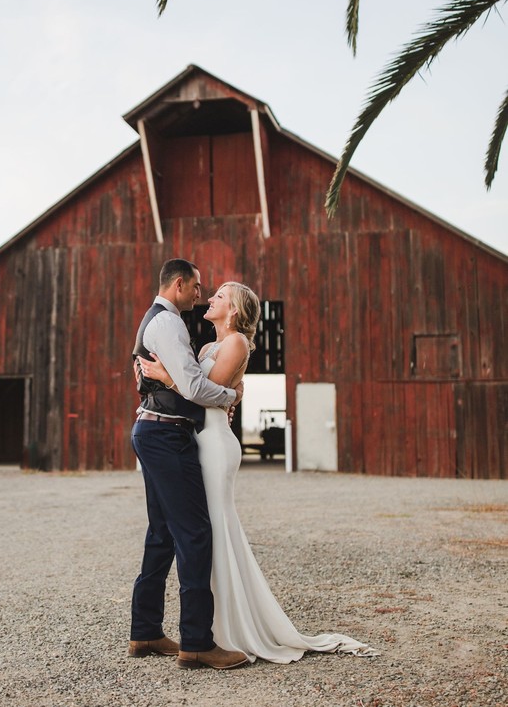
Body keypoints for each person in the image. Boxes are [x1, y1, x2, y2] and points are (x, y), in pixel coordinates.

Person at [139, 280, 378, 663]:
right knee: (204, 528)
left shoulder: (237, 343)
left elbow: (203, 393)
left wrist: (169, 378)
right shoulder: (204, 347)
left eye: (219, 296)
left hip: (216, 443)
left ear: (233, 310)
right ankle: (210, 627)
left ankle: (222, 628)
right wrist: (211, 389)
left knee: (211, 526)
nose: (210, 298)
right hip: (198, 440)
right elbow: (204, 389)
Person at [129, 258, 250, 670]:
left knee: (162, 532)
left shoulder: (163, 322)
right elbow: (196, 386)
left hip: (157, 429)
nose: (201, 295)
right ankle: (198, 643)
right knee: (195, 532)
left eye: (210, 292)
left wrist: (162, 378)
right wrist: (231, 397)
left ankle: (145, 632)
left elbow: (182, 380)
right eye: (197, 287)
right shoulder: (168, 323)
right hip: (165, 434)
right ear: (179, 284)